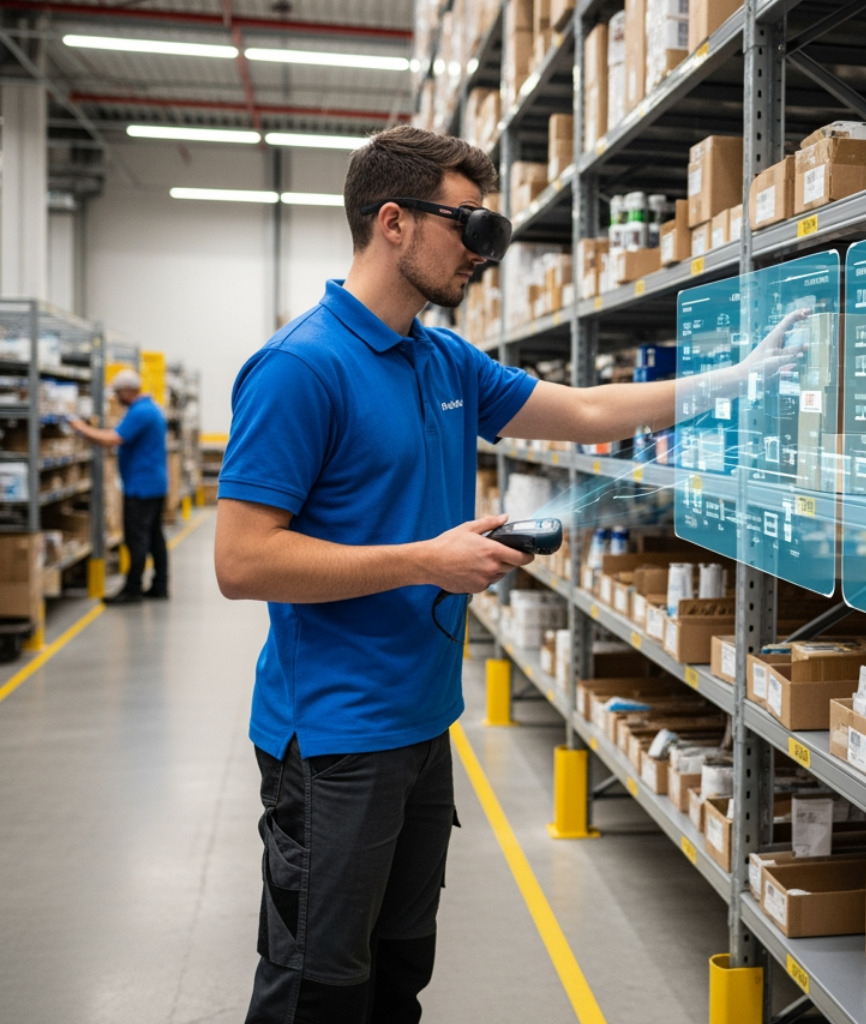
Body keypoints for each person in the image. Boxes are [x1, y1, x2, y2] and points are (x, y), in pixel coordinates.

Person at [214, 125, 798, 1024]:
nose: (485, 253)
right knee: (316, 991)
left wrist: (742, 378)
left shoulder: (444, 360)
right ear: (395, 222)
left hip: (421, 724)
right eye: (470, 226)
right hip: (331, 740)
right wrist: (426, 558)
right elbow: (241, 560)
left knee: (398, 975)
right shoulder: (301, 368)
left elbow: (593, 407)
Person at [69, 368, 169, 604]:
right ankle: (159, 585)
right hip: (154, 483)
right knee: (155, 536)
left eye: (117, 393)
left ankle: (132, 589)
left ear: (127, 391)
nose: (116, 398)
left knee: (136, 538)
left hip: (140, 487)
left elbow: (113, 438)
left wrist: (81, 428)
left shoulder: (140, 412)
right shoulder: (150, 408)